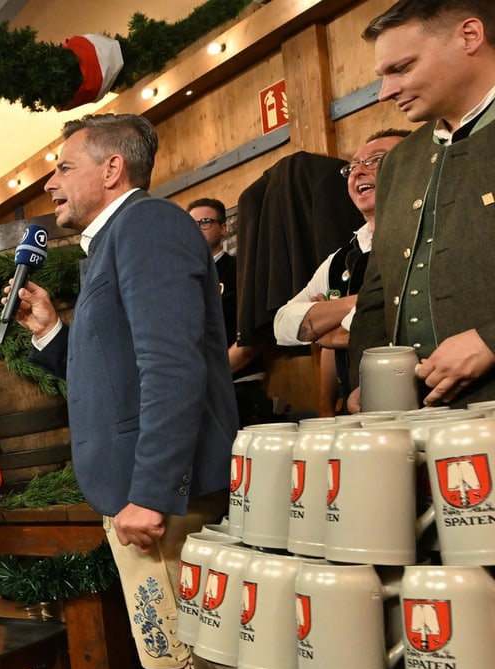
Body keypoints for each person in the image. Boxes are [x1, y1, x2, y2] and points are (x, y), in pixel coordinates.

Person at [7, 114, 238, 669]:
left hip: (161, 501)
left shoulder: (147, 226)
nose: (51, 184)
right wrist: (55, 333)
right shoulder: (114, 239)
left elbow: (172, 367)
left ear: (112, 169)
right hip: (142, 496)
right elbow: (114, 373)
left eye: (63, 168)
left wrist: (152, 492)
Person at [348, 0, 495, 410]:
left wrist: (490, 340)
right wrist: (363, 376)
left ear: (470, 36)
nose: (385, 92)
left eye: (402, 68)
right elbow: (377, 288)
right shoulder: (399, 161)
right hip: (418, 417)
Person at [274, 130, 410, 413]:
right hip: (358, 413)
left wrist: (329, 327)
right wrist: (359, 303)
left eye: (375, 160)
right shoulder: (340, 259)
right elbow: (283, 324)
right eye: (353, 166)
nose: (358, 171)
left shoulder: (428, 238)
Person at [187, 198, 273, 426]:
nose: (196, 229)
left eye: (205, 222)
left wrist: (211, 374)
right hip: (194, 390)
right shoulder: (180, 280)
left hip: (238, 385)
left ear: (223, 229)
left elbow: (253, 335)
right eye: (191, 223)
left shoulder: (239, 271)